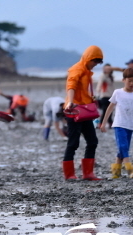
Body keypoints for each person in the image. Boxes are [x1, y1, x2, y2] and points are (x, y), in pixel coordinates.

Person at [62, 45, 104, 181]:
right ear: (88, 58)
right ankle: (69, 174)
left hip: (85, 111)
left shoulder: (87, 71)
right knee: (73, 143)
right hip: (74, 110)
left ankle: (88, 173)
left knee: (92, 141)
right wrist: (70, 101)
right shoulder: (77, 69)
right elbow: (71, 85)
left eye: (98, 63)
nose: (95, 65)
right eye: (94, 62)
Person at [100, 68, 133, 179]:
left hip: (130, 125)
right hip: (119, 124)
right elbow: (109, 109)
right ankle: (129, 169)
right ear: (123, 80)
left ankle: (116, 173)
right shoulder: (118, 92)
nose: (132, 84)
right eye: (130, 81)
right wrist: (103, 123)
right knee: (123, 146)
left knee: (123, 149)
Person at [96, 64, 115, 128]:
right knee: (105, 110)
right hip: (104, 96)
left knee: (111, 110)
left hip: (111, 95)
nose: (107, 70)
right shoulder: (103, 76)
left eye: (108, 68)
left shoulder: (110, 76)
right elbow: (99, 84)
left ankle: (110, 122)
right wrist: (97, 93)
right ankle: (101, 123)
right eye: (105, 68)